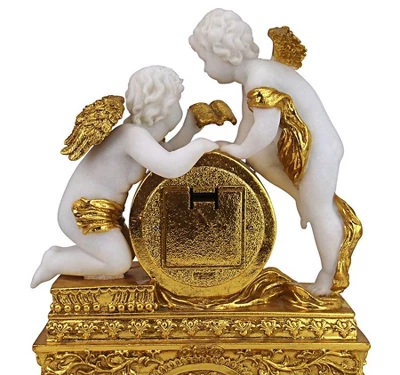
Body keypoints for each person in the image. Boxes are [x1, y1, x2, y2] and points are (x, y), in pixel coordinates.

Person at [190, 9, 360, 296]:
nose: (206, 69)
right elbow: (249, 124)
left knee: (319, 210)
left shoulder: (259, 76)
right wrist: (235, 150)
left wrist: (239, 149)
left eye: (205, 59)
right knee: (259, 159)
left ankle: (330, 276)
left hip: (320, 148)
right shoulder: (253, 76)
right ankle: (301, 198)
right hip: (310, 146)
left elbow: (266, 129)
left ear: (224, 53)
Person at [31, 65, 218, 288]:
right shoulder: (132, 136)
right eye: (177, 101)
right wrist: (200, 145)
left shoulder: (137, 134)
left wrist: (190, 128)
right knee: (117, 263)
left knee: (129, 251)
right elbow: (169, 166)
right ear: (163, 105)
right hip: (85, 211)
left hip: (107, 212)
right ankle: (55, 260)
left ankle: (73, 259)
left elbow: (164, 154)